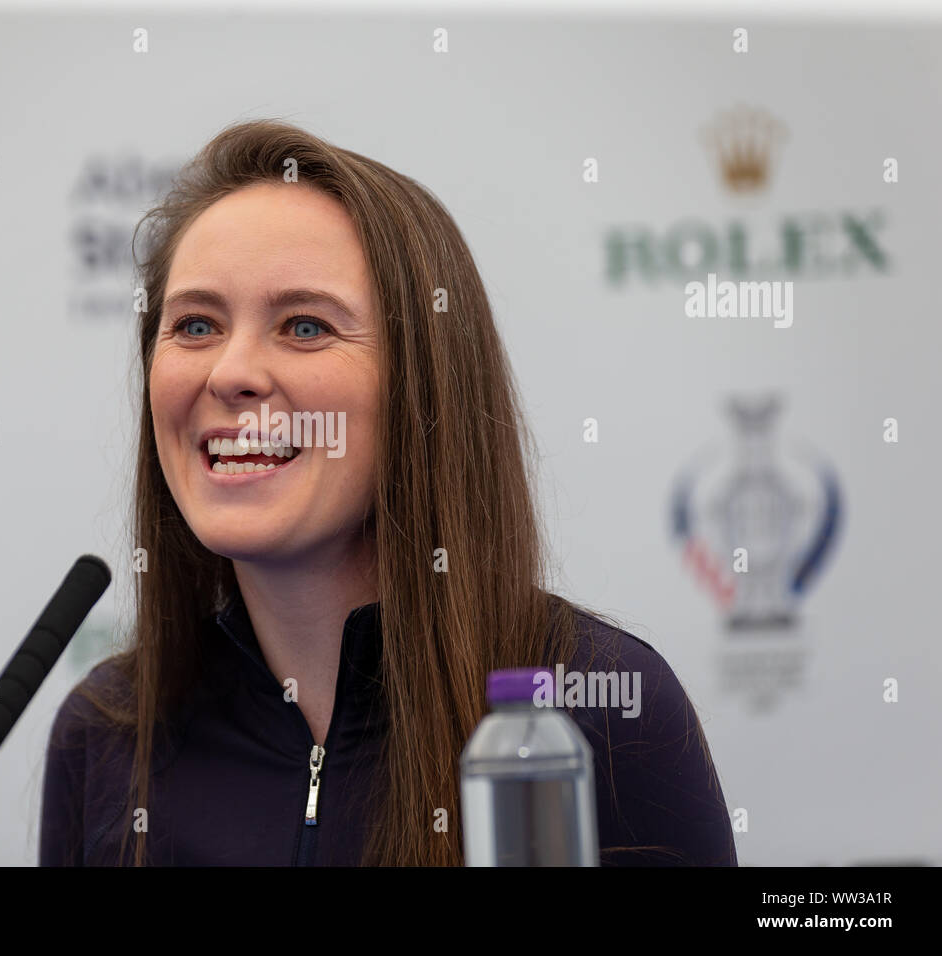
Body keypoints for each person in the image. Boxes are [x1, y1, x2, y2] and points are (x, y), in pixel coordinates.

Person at [40, 119, 737, 866]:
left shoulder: (602, 706)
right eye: (196, 325)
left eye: (304, 325)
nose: (229, 372)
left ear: (422, 386)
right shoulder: (104, 732)